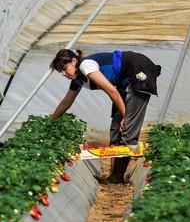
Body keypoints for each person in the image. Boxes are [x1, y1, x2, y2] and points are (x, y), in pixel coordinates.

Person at [50, 49, 161, 183]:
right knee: (115, 130)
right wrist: (49, 123)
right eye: (60, 71)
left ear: (74, 61)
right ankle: (112, 175)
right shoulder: (78, 80)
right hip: (124, 81)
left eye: (64, 68)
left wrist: (125, 117)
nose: (63, 73)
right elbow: (65, 103)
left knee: (127, 130)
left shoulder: (86, 65)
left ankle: (117, 177)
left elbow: (111, 90)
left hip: (137, 72)